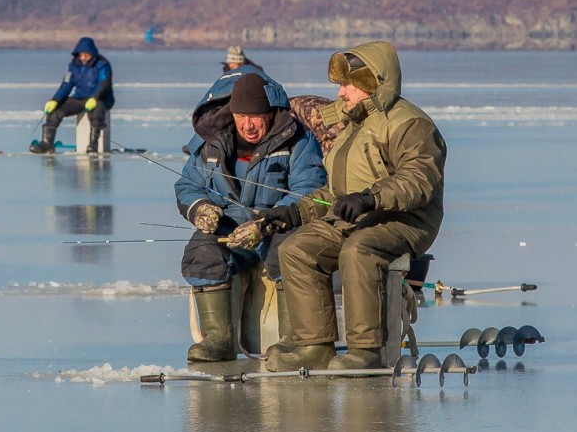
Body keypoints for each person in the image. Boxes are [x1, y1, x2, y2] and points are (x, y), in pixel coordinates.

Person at [261, 41, 447, 372]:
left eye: (348, 84)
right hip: (356, 216)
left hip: (406, 220)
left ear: (373, 81)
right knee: (296, 249)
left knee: (358, 250)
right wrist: (296, 213)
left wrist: (370, 198)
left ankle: (367, 349)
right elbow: (335, 192)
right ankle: (314, 346)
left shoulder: (410, 123)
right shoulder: (355, 124)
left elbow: (419, 180)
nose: (341, 92)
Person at [176, 69, 326, 362]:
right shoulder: (210, 144)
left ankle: (290, 338)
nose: (249, 125)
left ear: (270, 113)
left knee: (292, 249)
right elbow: (188, 185)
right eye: (241, 116)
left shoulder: (298, 140)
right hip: (230, 229)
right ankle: (218, 339)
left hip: (278, 226)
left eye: (255, 116)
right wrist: (199, 207)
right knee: (202, 249)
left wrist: (267, 222)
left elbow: (310, 189)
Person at [30, 36, 114, 153]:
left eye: (86, 55)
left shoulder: (102, 65)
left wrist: (95, 98)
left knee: (96, 113)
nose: (83, 58)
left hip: (100, 98)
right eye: (81, 55)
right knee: (56, 111)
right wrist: (55, 100)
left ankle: (93, 145)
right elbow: (66, 85)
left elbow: (104, 83)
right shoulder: (73, 66)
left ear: (92, 54)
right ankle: (47, 144)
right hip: (80, 97)